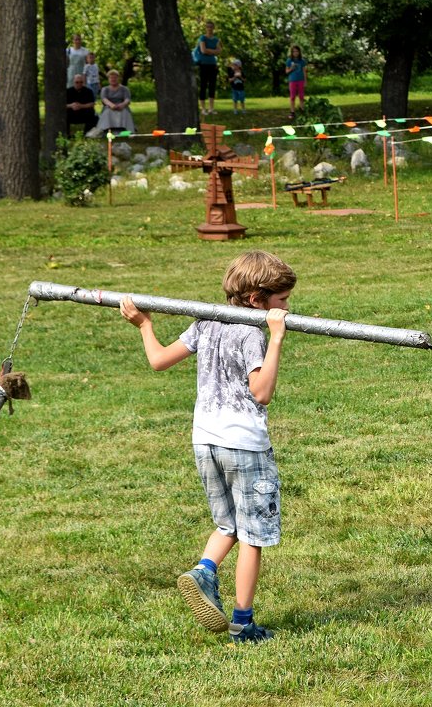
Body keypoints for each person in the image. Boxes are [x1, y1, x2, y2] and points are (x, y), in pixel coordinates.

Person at [119, 251, 296, 643]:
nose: (287, 308)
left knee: (227, 524)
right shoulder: (252, 332)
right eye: (282, 301)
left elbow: (159, 360)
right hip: (245, 446)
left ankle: (204, 570)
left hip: (205, 441)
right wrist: (277, 337)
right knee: (252, 535)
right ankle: (242, 623)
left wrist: (144, 325)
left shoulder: (206, 322)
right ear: (256, 300)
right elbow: (261, 392)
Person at [87, 69, 135, 137]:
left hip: (122, 106)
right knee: (108, 112)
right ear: (108, 79)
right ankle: (106, 130)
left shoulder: (124, 88)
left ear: (118, 78)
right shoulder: (105, 89)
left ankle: (126, 131)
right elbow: (104, 99)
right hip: (109, 106)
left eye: (115, 78)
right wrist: (111, 105)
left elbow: (127, 99)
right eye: (111, 78)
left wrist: (122, 105)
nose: (113, 79)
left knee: (124, 112)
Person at [195, 20, 221, 115]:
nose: (209, 29)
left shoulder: (216, 39)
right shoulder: (203, 38)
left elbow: (219, 51)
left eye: (211, 27)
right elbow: (203, 50)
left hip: (212, 64)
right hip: (203, 64)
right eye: (208, 27)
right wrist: (212, 51)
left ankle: (211, 108)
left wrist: (210, 51)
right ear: (206, 28)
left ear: (213, 28)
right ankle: (203, 108)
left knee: (212, 86)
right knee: (203, 85)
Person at [284, 45, 307, 118]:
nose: (295, 53)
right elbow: (286, 71)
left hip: (301, 80)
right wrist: (291, 68)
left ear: (299, 52)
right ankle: (292, 112)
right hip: (293, 80)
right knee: (292, 97)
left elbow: (304, 71)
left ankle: (302, 110)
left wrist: (305, 81)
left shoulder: (302, 61)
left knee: (301, 96)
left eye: (297, 51)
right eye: (294, 51)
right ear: (292, 52)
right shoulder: (289, 61)